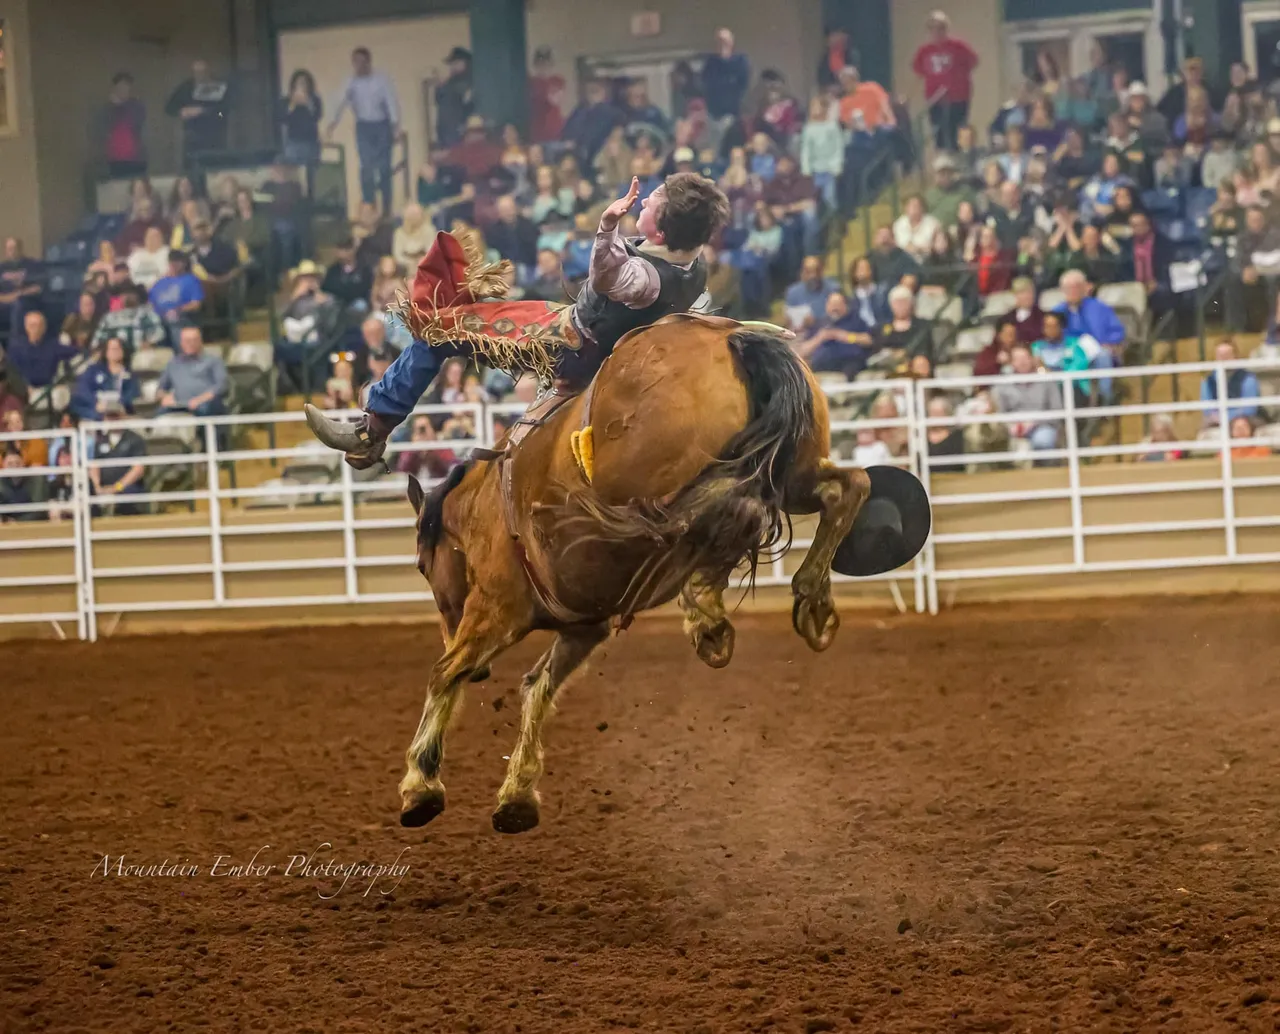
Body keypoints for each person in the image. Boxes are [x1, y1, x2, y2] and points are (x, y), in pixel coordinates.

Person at [307, 173, 730, 468]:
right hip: (581, 334)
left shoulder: (642, 278)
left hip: (570, 346)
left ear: (659, 233)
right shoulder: (692, 264)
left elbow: (606, 275)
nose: (647, 196)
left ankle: (372, 429)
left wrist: (606, 226)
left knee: (440, 330)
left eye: (655, 199)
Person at [328, 47, 401, 215]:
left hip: (382, 125)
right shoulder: (350, 81)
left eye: (362, 62)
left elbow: (391, 102)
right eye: (355, 62)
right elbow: (340, 101)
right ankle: (369, 204)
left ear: (369, 62)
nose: (358, 66)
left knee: (384, 168)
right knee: (366, 167)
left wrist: (395, 126)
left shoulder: (381, 79)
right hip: (363, 127)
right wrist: (331, 124)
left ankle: (387, 208)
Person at [912, 10, 978, 150]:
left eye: (940, 27)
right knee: (938, 133)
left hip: (958, 97)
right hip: (934, 99)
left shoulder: (958, 46)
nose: (937, 31)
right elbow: (919, 71)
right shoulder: (924, 51)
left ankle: (959, 160)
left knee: (958, 131)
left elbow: (973, 62)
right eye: (933, 28)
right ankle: (943, 163)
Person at [994, 342, 1064, 458]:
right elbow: (999, 412)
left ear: (1032, 359)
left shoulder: (1047, 380)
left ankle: (1045, 473)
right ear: (1011, 362)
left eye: (1025, 358)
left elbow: (1057, 411)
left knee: (1043, 440)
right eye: (1017, 359)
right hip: (1012, 428)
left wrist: (1033, 423)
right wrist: (1011, 426)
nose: (1022, 362)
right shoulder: (1003, 384)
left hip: (1042, 426)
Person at [87, 398, 148, 516]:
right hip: (103, 486)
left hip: (126, 487)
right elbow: (94, 466)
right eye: (109, 416)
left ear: (123, 416)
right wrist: (97, 486)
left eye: (115, 416)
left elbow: (138, 469)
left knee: (128, 495)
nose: (112, 420)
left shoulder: (134, 439)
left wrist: (117, 487)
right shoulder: (100, 440)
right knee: (87, 491)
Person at [794, 291, 875, 379]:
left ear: (845, 305)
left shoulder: (855, 321)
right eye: (831, 304)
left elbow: (868, 340)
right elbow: (803, 351)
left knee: (851, 368)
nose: (834, 307)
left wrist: (846, 336)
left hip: (849, 361)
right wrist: (820, 337)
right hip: (823, 364)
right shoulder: (819, 324)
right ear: (826, 306)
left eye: (838, 304)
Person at [165, 60, 231, 167]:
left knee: (214, 169)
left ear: (209, 72)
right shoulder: (186, 87)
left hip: (215, 138)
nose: (200, 75)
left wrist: (203, 111)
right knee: (191, 169)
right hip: (192, 137)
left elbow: (224, 112)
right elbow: (169, 109)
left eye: (203, 72)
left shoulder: (220, 87)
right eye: (196, 72)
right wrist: (181, 111)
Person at [157, 325, 228, 417]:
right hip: (179, 404)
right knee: (160, 413)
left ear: (200, 341)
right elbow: (160, 389)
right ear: (181, 343)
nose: (191, 343)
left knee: (206, 408)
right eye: (187, 341)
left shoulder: (214, 361)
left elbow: (222, 386)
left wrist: (200, 399)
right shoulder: (173, 364)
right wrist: (165, 397)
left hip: (206, 403)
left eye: (195, 340)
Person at [7, 310, 79, 390]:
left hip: (48, 390)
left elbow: (76, 353)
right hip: (25, 391)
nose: (37, 329)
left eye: (40, 325)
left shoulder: (53, 345)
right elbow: (13, 374)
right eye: (33, 325)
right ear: (26, 327)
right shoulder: (16, 348)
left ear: (44, 328)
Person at [71, 336, 139, 421]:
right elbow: (83, 390)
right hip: (95, 414)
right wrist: (96, 403)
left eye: (118, 348)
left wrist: (119, 405)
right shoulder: (93, 371)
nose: (115, 352)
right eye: (112, 349)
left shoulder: (130, 375)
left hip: (121, 416)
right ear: (106, 352)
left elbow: (132, 395)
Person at [91, 286, 167, 358]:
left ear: (137, 296)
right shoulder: (109, 318)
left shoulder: (148, 315)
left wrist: (150, 343)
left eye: (130, 294)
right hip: (114, 359)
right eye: (124, 294)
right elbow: (97, 342)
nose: (127, 297)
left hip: (141, 358)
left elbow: (159, 334)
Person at [95, 72, 147, 178]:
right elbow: (102, 128)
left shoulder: (136, 106)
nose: (123, 90)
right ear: (114, 88)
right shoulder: (106, 108)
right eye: (120, 87)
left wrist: (121, 105)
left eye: (126, 87)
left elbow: (138, 121)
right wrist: (113, 106)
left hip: (135, 158)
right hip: (113, 159)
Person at [1201, 340, 1261, 426]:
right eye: (1220, 355)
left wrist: (1228, 417)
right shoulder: (1208, 381)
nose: (1223, 359)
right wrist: (1218, 418)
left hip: (1244, 420)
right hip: (1216, 421)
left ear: (1235, 357)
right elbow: (1207, 409)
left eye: (1227, 355)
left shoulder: (1248, 378)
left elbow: (1250, 409)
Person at [279, 69, 323, 175]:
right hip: (293, 142)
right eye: (298, 83)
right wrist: (292, 104)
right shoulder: (286, 100)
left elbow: (317, 116)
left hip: (311, 141)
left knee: (312, 174)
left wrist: (308, 103)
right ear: (293, 85)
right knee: (293, 174)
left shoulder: (315, 99)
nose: (301, 86)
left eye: (304, 83)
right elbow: (283, 119)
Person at [702, 29, 750, 125]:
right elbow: (705, 83)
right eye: (719, 42)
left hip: (732, 114)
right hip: (713, 115)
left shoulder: (740, 62)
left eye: (725, 41)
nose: (722, 45)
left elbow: (743, 85)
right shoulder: (710, 63)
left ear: (731, 43)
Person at [783, 255, 839, 331]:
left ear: (822, 271)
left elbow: (840, 318)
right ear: (802, 273)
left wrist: (816, 322)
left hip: (828, 333)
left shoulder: (833, 289)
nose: (813, 276)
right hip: (801, 334)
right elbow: (788, 323)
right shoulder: (792, 292)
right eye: (808, 272)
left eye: (817, 271)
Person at [149, 251, 204, 326]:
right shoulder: (161, 281)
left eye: (177, 261)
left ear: (184, 263)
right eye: (171, 261)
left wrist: (177, 310)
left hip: (181, 318)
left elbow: (196, 305)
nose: (174, 264)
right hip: (158, 319)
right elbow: (150, 302)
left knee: (173, 319)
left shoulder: (191, 280)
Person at [435, 47, 474, 148]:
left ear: (464, 62)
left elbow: (467, 103)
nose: (452, 67)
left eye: (455, 63)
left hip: (459, 131)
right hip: (446, 132)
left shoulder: (468, 80)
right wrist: (440, 87)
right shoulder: (452, 81)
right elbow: (439, 100)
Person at [323, 239, 373, 311]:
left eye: (345, 249)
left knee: (360, 305)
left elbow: (365, 289)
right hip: (336, 301)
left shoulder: (364, 269)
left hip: (356, 302)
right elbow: (327, 287)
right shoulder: (333, 270)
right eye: (340, 250)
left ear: (352, 250)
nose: (342, 253)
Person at [528, 47, 566, 143]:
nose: (543, 66)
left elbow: (554, 99)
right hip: (537, 132)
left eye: (546, 63)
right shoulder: (531, 83)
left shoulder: (557, 80)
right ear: (535, 64)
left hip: (555, 131)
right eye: (540, 63)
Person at [893, 195, 941, 262]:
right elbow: (898, 246)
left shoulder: (933, 223)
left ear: (922, 208)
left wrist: (919, 249)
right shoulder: (899, 224)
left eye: (916, 206)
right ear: (906, 208)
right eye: (911, 205)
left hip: (928, 261)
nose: (914, 208)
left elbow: (936, 247)